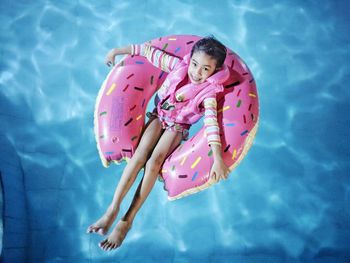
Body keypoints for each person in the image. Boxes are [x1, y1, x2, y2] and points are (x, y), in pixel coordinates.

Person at [87, 36, 230, 251]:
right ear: (189, 59)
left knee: (153, 164)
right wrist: (117, 50)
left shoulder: (209, 93)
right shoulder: (178, 66)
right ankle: (112, 209)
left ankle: (127, 220)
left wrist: (218, 158)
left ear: (215, 71)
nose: (196, 72)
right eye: (195, 64)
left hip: (177, 127)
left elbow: (212, 124)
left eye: (205, 69)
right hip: (158, 116)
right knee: (139, 156)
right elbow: (147, 51)